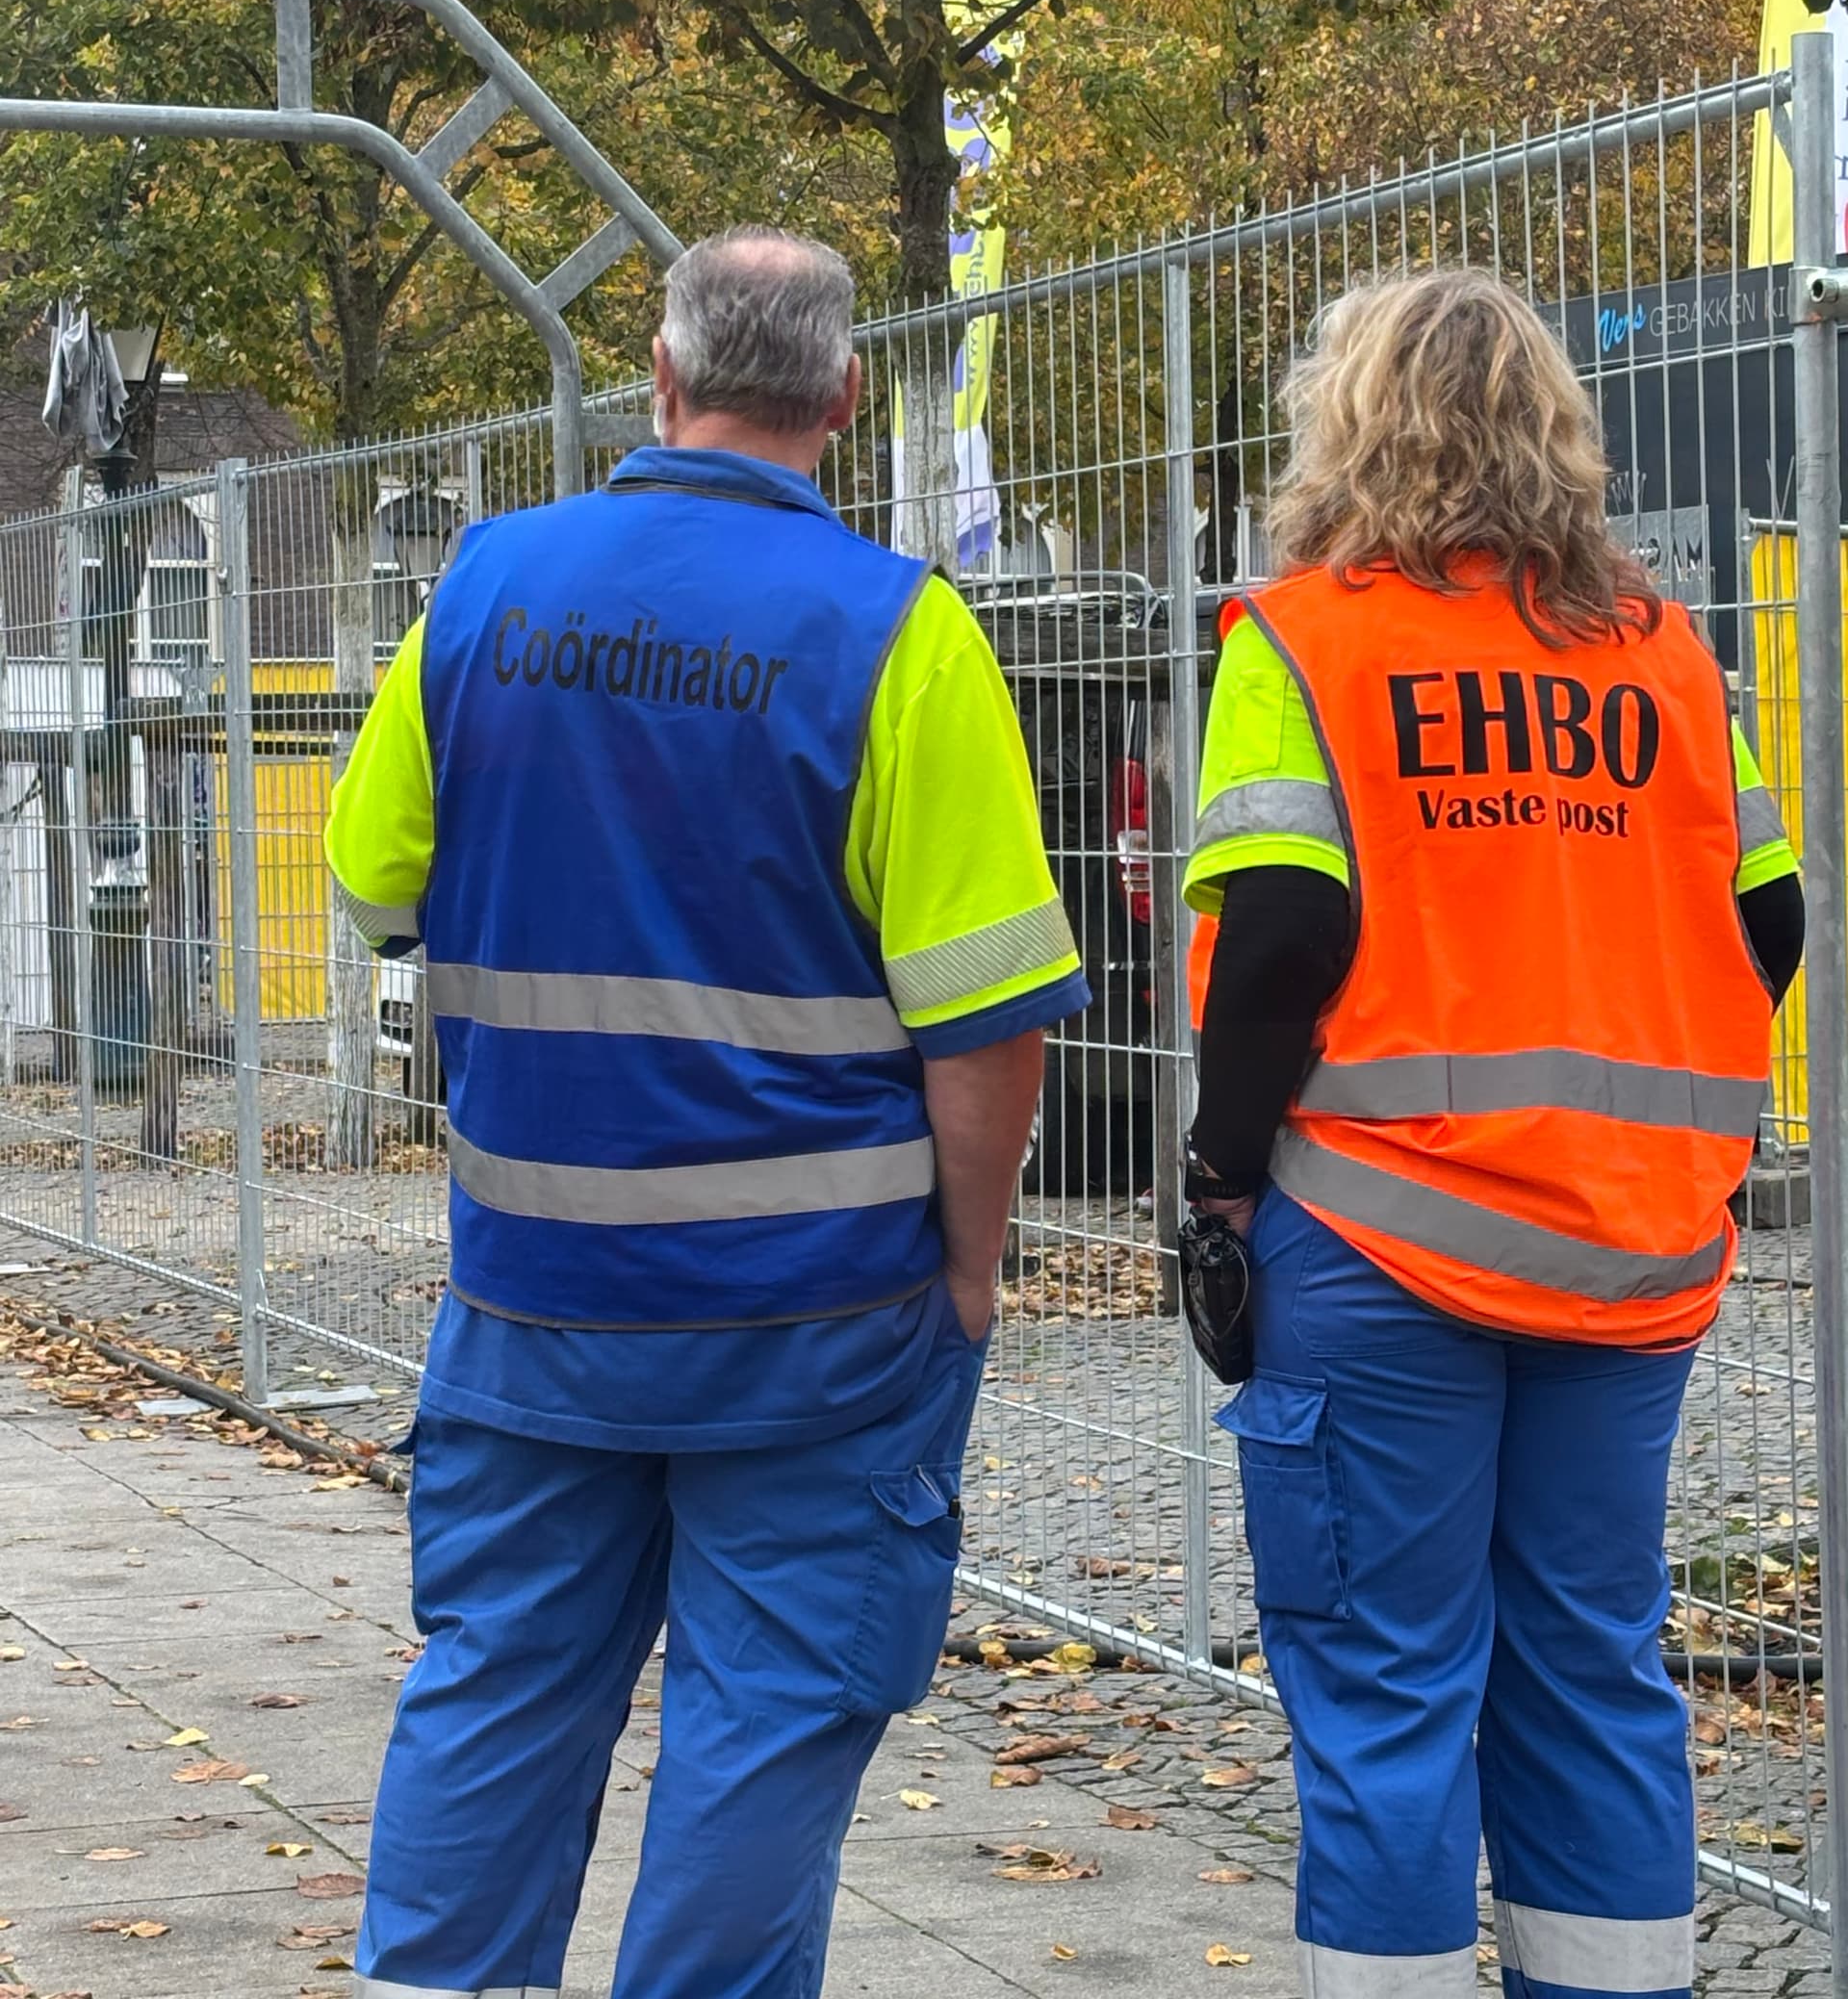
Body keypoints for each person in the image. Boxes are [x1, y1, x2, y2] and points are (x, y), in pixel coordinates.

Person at [324, 225, 1088, 1999]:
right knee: (767, 1723)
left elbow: (374, 886)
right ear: (836, 398)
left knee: (498, 1690)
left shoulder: (488, 591)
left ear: (658, 381)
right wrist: (967, 1274)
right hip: (815, 1316)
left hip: (532, 1297)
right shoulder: (904, 634)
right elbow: (987, 1021)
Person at [1180, 269, 1803, 1999]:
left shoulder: (1304, 638)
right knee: (1594, 1670)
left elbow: (1286, 941)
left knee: (1390, 1690)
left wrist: (1222, 1182)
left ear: (1353, 421)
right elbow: (1770, 924)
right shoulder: (1671, 660)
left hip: (1384, 1239)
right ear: (1555, 428)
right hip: (1628, 1250)